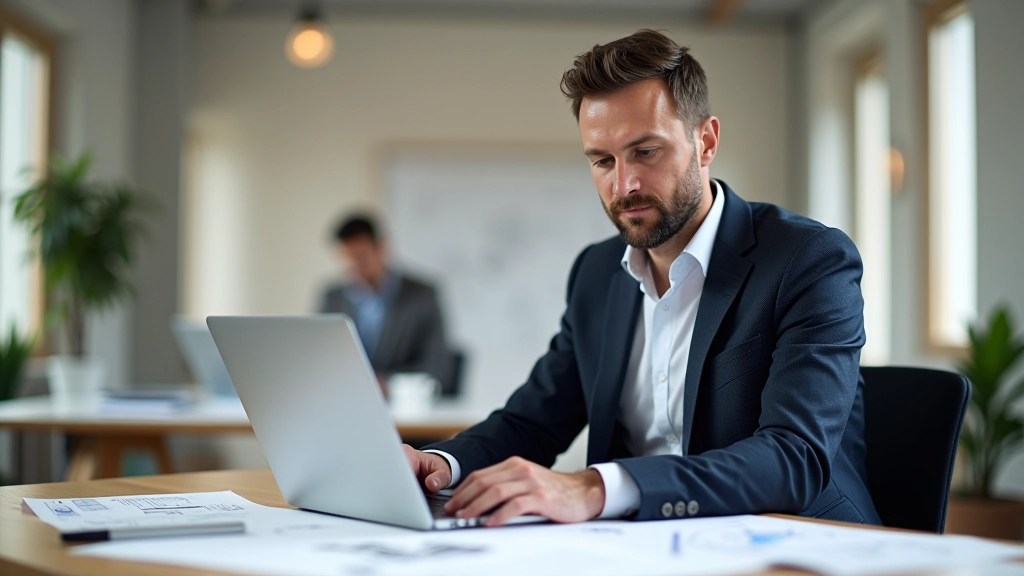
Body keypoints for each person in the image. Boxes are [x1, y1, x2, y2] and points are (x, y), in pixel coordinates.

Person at [403, 29, 882, 527]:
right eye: (602, 161)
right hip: (644, 545)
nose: (623, 184)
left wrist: (596, 488)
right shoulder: (596, 273)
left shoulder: (809, 260)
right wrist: (438, 464)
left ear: (706, 141)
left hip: (800, 539)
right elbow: (533, 421)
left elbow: (793, 458)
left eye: (646, 152)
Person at [320, 215, 454, 394]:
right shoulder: (333, 298)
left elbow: (438, 365)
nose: (355, 267)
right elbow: (320, 357)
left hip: (401, 402)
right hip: (346, 396)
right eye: (348, 259)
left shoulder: (422, 296)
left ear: (381, 247)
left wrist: (390, 384)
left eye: (361, 257)